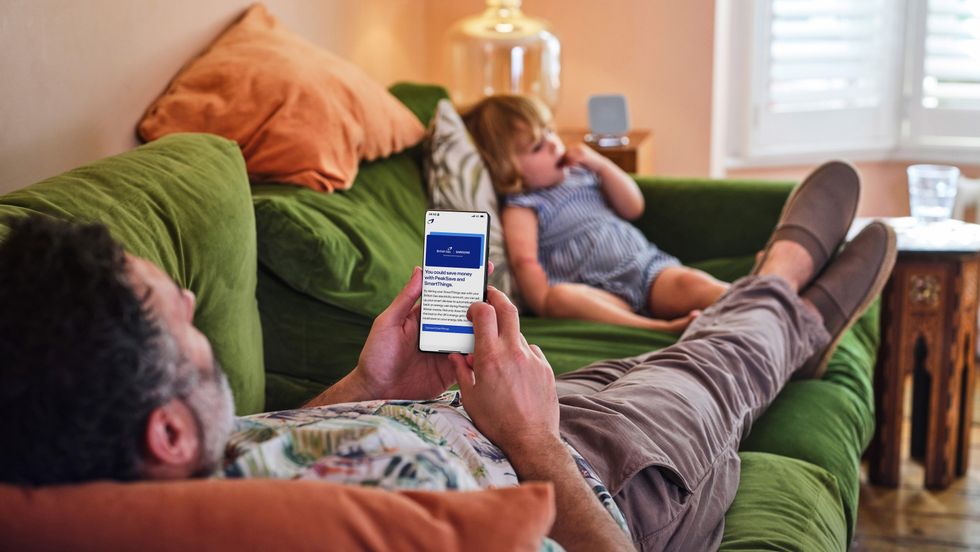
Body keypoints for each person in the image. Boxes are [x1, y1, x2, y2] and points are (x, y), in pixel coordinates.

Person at [0, 163, 894, 551]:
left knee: (681, 356)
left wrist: (368, 384)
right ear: (163, 431)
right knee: (712, 370)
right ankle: (783, 287)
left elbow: (254, 450)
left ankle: (785, 323)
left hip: (491, 418)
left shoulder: (140, 462)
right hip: (598, 479)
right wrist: (537, 443)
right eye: (178, 319)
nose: (196, 301)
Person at [462, 94, 729, 333]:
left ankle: (750, 297)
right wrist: (545, 303)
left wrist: (602, 165)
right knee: (561, 297)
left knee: (692, 284)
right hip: (596, 293)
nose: (555, 145)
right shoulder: (524, 206)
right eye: (537, 147)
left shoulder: (583, 173)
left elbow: (633, 207)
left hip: (646, 271)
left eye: (550, 132)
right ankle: (658, 328)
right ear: (507, 169)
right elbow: (525, 262)